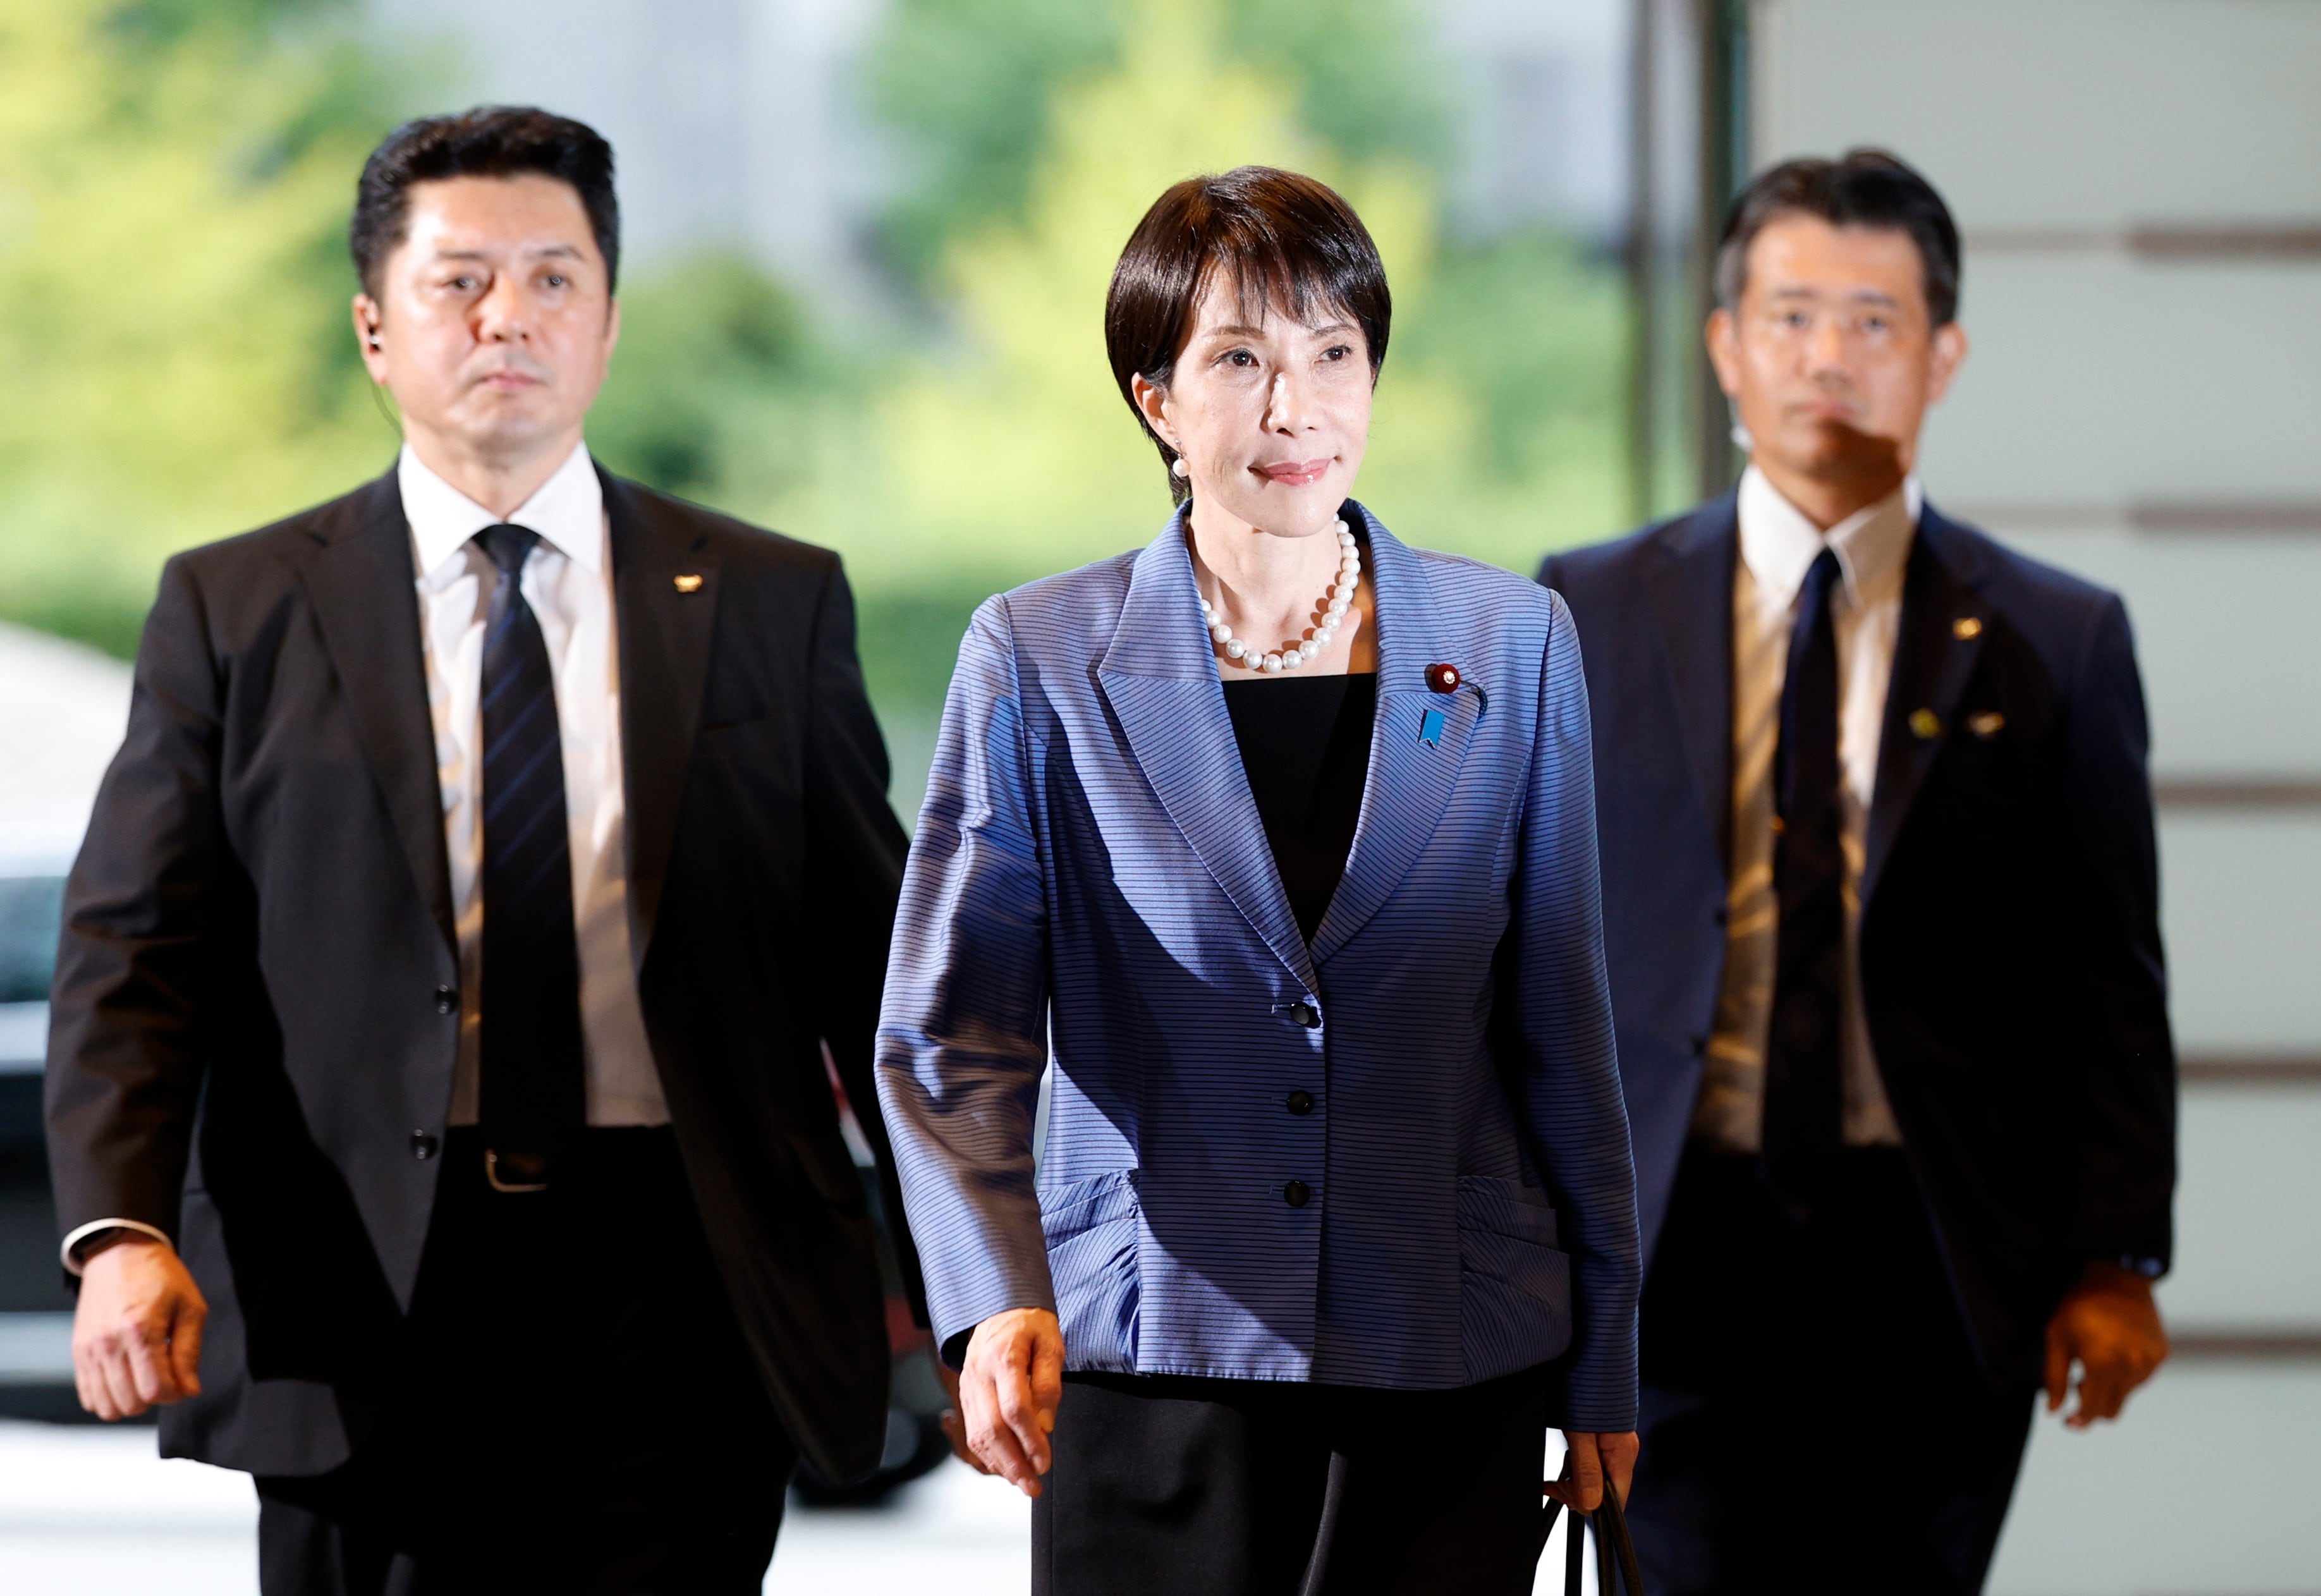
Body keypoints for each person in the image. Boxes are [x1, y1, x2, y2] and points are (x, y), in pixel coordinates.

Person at [45, 106, 929, 1593]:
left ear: (608, 324)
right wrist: (118, 1230)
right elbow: (136, 950)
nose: (508, 315)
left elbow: (880, 973)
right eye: (459, 280)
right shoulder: (238, 607)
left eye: (552, 277)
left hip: (686, 1287)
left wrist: (981, 1292)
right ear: (376, 327)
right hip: (358, 1283)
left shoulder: (772, 602)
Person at [875, 165, 1641, 1596]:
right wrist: (995, 1299)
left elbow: (1561, 1030)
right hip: (1151, 1356)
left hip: (1451, 1348)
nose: (1297, 409)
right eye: (1239, 360)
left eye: (1333, 355)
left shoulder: (1514, 643)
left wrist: (1608, 1348)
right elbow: (948, 1030)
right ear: (1156, 399)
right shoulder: (1039, 658)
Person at [1540, 149, 2176, 1593]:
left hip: (1939, 1252)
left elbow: (2108, 970)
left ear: (1943, 355)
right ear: (1724, 348)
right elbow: (1530, 946)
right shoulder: (1586, 605)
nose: (1829, 356)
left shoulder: (2057, 638)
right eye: (1792, 316)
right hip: (1674, 1242)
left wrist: (2115, 1260)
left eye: (1875, 322)